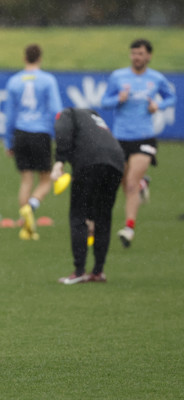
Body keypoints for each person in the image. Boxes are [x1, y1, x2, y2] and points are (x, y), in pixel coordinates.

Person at [101, 38, 176, 248]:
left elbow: (171, 98)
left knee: (131, 182)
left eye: (141, 54)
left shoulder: (156, 79)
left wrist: (158, 105)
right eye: (134, 53)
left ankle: (129, 228)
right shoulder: (118, 77)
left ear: (149, 56)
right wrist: (118, 99)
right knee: (124, 182)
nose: (137, 57)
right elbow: (104, 102)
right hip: (121, 137)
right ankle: (143, 184)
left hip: (144, 137)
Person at [52, 108, 125, 284]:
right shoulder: (95, 118)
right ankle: (98, 271)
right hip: (116, 161)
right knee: (103, 217)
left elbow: (63, 131)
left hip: (90, 161)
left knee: (78, 216)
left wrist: (59, 161)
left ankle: (79, 272)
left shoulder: (67, 113)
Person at [3, 44, 63, 240]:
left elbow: (9, 114)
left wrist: (8, 140)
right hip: (41, 133)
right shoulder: (47, 80)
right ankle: (32, 206)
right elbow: (56, 109)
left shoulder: (14, 81)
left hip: (20, 133)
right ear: (40, 58)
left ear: (24, 57)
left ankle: (25, 225)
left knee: (26, 180)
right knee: (45, 180)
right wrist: (60, 134)